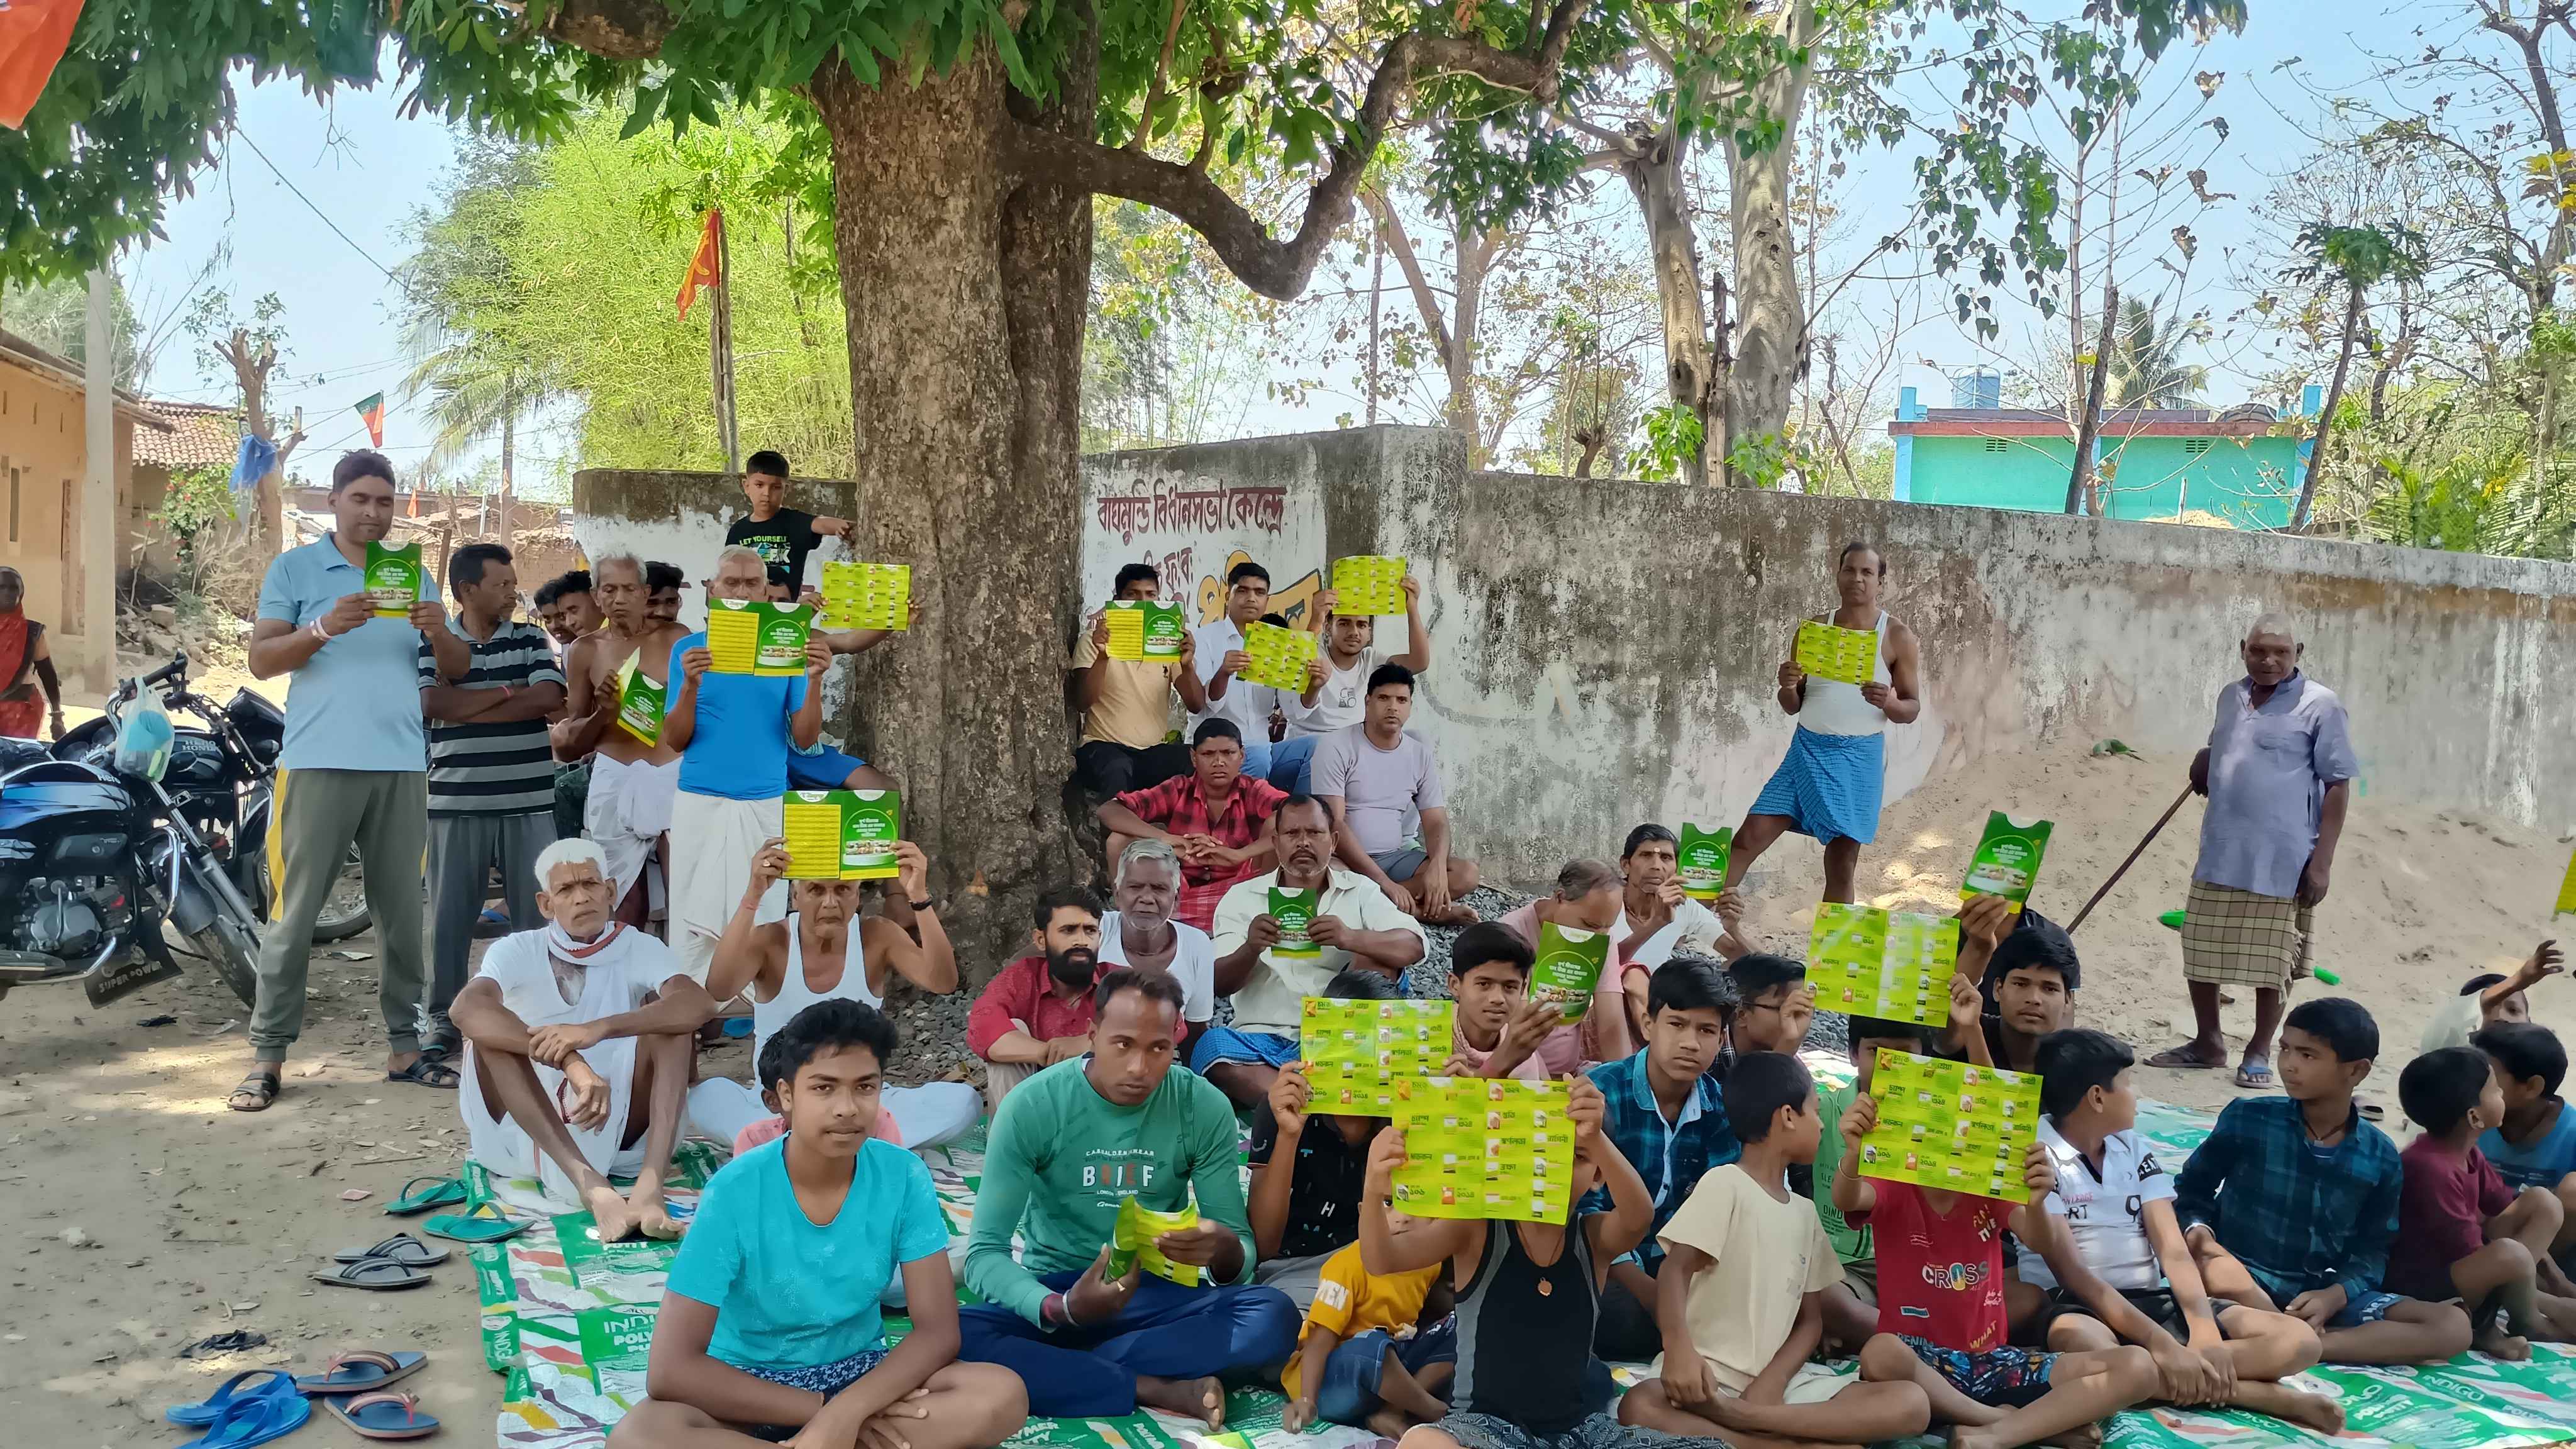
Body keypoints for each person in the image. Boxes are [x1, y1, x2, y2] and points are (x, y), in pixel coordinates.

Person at [609, 999, 1030, 1449]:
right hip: (746, 1387)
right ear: (787, 1096)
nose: (847, 1108)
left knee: (999, 1394)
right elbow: (671, 1369)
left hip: (860, 1375)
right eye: (824, 1088)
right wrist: (825, 1412)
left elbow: (937, 1333)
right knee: (640, 1436)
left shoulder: (903, 1175)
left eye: (865, 1087)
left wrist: (850, 1410)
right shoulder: (734, 1191)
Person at [958, 969, 1301, 1424]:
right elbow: (984, 1254)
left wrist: (1222, 1248)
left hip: (1157, 1296)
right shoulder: (1033, 1105)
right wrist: (1061, 1308)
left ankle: (1072, 1369)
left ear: (1176, 1045)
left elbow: (1241, 1259)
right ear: (1092, 1036)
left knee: (1273, 1315)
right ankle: (1150, 1385)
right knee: (956, 1334)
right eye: (1122, 1045)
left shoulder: (1202, 1106)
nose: (1139, 1067)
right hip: (1060, 1290)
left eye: (1158, 1049)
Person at [235, 450, 468, 1111]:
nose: (373, 512)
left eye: (384, 501)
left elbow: (455, 668)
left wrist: (439, 631)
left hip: (400, 766)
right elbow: (261, 660)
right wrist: (322, 627)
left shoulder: (412, 574)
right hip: (317, 763)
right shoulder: (295, 569)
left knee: (401, 916)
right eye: (360, 499)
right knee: (295, 914)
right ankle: (267, 1056)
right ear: (334, 501)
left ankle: (404, 1049)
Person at [2017, 1029, 2346, 1433]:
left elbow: (2172, 1249)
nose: (2136, 1094)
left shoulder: (2133, 1148)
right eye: (2128, 1083)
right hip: (2077, 1305)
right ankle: (2258, 1395)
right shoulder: (2036, 1156)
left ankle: (2165, 1376)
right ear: (2097, 1098)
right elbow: (2075, 1276)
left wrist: (2203, 1329)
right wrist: (2163, 1345)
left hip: (2152, 1299)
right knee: (2088, 1348)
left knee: (2301, 1343)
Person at [1619, 1053, 1934, 1446]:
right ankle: (1773, 1442)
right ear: (1788, 1116)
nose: (1822, 1124)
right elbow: (1675, 1270)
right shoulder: (1725, 1184)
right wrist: (1679, 1349)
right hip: (1705, 1379)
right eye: (1815, 1111)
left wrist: (1772, 1382)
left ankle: (1747, 1422)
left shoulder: (1805, 1213)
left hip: (1778, 1389)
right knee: (1639, 1404)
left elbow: (1810, 1322)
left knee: (1911, 1403)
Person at [1362, 1075, 1689, 1449]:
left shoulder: (1594, 1237)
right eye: (1542, 1150)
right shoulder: (1477, 1229)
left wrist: (1596, 1137)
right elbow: (1382, 1259)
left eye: (1576, 1156)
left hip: (1574, 1431)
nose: (1554, 1167)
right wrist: (1373, 1187)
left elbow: (1639, 1217)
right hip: (1483, 1429)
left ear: (1598, 1174)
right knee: (1424, 1444)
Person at [1837, 1091, 2160, 1449]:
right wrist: (1853, 1155)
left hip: (1994, 1363)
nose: (1952, 1141)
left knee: (2138, 1366)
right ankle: (2006, 1422)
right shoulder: (1893, 1184)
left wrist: (2036, 1202)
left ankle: (1996, 1435)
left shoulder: (1989, 1188)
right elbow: (1847, 1199)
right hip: (1918, 1365)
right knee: (1881, 1350)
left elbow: (2039, 1239)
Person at [2172, 997, 2475, 1364]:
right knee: (2215, 1274)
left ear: (2357, 1071)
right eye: (2285, 1049)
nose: (2289, 1064)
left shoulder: (2380, 1154)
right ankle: (2288, 1338)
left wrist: (2335, 1296)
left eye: (2308, 1055)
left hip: (2316, 1294)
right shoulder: (2249, 1118)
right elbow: (2192, 1191)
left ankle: (2306, 1345)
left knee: (2452, 1326)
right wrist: (2203, 1240)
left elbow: (2373, 1248)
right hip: (2241, 1278)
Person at [451, 838, 716, 1238]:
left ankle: (649, 1187)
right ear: (546, 904)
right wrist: (570, 1061)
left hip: (620, 1118)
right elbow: (465, 1009)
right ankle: (590, 1185)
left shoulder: (640, 946)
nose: (581, 898)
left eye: (590, 884)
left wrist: (596, 1030)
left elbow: (698, 1004)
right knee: (487, 1037)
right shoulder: (517, 949)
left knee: (672, 1025)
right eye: (566, 890)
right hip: (527, 1126)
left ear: (610, 891)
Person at [2148, 613, 2357, 1091]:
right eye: (2259, 650)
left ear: (2298, 653)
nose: (2268, 661)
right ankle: (2208, 1043)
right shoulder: (2231, 695)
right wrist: (2205, 758)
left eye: (2280, 652)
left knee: (2273, 962)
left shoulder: (2321, 705)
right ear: (2243, 648)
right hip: (2222, 848)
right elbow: (2226, 742)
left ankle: (2259, 1050)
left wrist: (2322, 862)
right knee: (2200, 947)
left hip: (2284, 856)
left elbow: (2338, 785)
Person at [696, 836, 979, 1152]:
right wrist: (753, 896)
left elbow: (943, 982)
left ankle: (798, 1145)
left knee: (964, 1102)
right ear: (796, 896)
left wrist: (919, 897)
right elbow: (719, 988)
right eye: (816, 890)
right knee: (704, 1097)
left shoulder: (877, 935)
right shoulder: (771, 940)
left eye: (843, 890)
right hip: (784, 1105)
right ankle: (856, 1142)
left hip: (860, 1102)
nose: (831, 903)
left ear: (857, 895)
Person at [419, 543, 566, 1061]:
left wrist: (468, 706)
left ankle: (538, 1015)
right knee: (449, 921)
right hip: (455, 801)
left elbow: (549, 699)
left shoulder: (529, 637)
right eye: (501, 584)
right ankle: (443, 1019)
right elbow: (432, 702)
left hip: (529, 799)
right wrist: (509, 694)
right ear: (467, 590)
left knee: (539, 917)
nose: (512, 593)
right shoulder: (433, 641)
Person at [663, 545, 833, 983]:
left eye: (751, 583)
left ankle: (760, 1006)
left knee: (764, 913)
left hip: (764, 803)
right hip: (700, 801)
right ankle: (692, 1005)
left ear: (765, 594)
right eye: (732, 583)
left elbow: (805, 739)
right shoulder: (689, 650)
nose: (741, 592)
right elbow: (675, 740)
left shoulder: (787, 651)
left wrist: (815, 681)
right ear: (712, 590)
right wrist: (690, 687)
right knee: (690, 917)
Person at [1724, 541, 1924, 906]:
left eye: (1867, 572)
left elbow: (1911, 708)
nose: (1857, 579)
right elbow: (1793, 705)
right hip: (1806, 750)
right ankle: (1700, 923)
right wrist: (1787, 686)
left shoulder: (1896, 636)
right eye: (1850, 570)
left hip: (1858, 759)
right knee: (1748, 838)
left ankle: (1833, 942)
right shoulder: (1816, 629)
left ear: (1880, 582)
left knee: (1841, 863)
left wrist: (1890, 702)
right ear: (1838, 576)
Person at [1201, 795, 1429, 1108]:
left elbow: (1413, 945)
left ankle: (1295, 1104)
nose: (1303, 843)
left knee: (1377, 956)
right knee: (1212, 1048)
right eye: (1292, 834)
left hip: (1341, 1037)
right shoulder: (1243, 898)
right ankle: (1317, 1105)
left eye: (1314, 833)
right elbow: (1217, 983)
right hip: (1262, 1036)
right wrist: (1251, 949)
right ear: (1276, 843)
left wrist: (1350, 938)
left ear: (1333, 842)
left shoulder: (1359, 891)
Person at [1584, 957, 1742, 1363]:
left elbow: (1722, 1210)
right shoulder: (1601, 1093)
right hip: (1609, 1263)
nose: (1691, 1042)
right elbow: (1586, 1211)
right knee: (1619, 1318)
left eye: (1706, 1030)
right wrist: (1655, 1300)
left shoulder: (1720, 1106)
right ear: (1648, 1025)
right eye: (1677, 1024)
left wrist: (1674, 1292)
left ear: (1721, 1038)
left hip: (1681, 1265)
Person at [2389, 1045, 2576, 1354]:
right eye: (2495, 1090)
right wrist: (2552, 1302)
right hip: (2422, 1284)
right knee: (2509, 1255)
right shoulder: (2430, 1168)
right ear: (2475, 1116)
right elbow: (2466, 1250)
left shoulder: (2468, 1153)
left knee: (2542, 1203)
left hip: (2458, 1266)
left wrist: (2555, 1278)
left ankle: (2519, 1303)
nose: (2502, 1094)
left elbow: (2503, 1208)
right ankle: (2525, 1319)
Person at [1252, 970, 1409, 1309]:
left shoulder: (1409, 1110)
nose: (1360, 1059)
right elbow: (1264, 1244)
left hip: (1386, 1266)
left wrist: (1450, 1110)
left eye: (1377, 1044)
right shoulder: (1284, 1105)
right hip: (1298, 1272)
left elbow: (1421, 1230)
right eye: (1345, 1040)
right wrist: (1289, 1135)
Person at [557, 554, 690, 929]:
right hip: (614, 773)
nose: (619, 599)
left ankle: (682, 966)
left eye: (629, 589)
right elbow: (573, 735)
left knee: (685, 894)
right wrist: (604, 713)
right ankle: (627, 967)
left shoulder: (676, 639)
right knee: (623, 901)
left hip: (671, 771)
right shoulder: (584, 650)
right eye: (610, 590)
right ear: (596, 596)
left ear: (644, 593)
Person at [1310, 664, 1479, 926]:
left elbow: (1436, 820)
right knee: (1326, 877)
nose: (1393, 707)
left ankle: (1375, 904)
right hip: (1343, 859)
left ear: (1410, 706)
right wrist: (1386, 884)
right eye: (1384, 698)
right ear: (1368, 702)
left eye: (1401, 700)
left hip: (1394, 857)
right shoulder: (1336, 746)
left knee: (1465, 874)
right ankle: (1417, 912)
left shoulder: (1418, 754)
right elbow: (1335, 824)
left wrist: (1436, 867)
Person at [970, 887, 1157, 1113]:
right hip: (1034, 1105)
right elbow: (982, 1025)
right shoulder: (1021, 978)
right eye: (1068, 930)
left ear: (1100, 937)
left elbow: (1170, 1020)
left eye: (1090, 930)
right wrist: (1046, 1053)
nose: (1081, 941)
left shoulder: (1118, 981)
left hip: (1105, 1107)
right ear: (1041, 940)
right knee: (1010, 1042)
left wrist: (1090, 1042)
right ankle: (1013, 1135)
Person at [1279, 1211, 1457, 1440]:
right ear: (1365, 1213)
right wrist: (1307, 1400)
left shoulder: (1428, 1261)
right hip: (1332, 1382)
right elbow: (1318, 1342)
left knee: (1457, 1325)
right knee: (1372, 1344)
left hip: (1391, 1369)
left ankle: (1392, 1412)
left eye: (1416, 1206)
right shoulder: (1347, 1265)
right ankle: (1434, 1411)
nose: (1403, 1218)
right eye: (1388, 1203)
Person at [1096, 719, 1285, 931]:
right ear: (1194, 758)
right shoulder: (1179, 788)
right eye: (1208, 754)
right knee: (1119, 840)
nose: (1219, 762)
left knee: (1280, 823)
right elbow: (1109, 810)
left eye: (1228, 753)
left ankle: (1268, 912)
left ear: (1242, 756)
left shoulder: (1253, 790)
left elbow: (1300, 815)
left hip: (1241, 886)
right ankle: (1127, 918)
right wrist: (1167, 840)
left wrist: (1239, 855)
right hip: (1178, 887)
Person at [1270, 570, 1431, 795]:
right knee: (1325, 748)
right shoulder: (1311, 653)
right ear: (1328, 627)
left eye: (1361, 625)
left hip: (1356, 752)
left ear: (1369, 632)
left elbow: (1419, 662)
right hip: (1309, 749)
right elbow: (1296, 709)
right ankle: (1317, 813)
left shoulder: (1372, 660)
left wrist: (1412, 608)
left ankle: (1405, 820)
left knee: (1418, 741)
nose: (1354, 632)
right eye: (1344, 623)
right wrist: (1315, 619)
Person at [1069, 563, 1209, 799]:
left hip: (1151, 752)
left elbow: (1196, 704)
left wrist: (1186, 665)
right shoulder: (1092, 641)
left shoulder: (1168, 646)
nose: (1143, 603)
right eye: (1132, 595)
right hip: (1103, 747)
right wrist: (1103, 656)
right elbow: (1083, 702)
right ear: (1118, 601)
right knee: (1117, 768)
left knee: (1195, 760)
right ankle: (1116, 824)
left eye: (1150, 595)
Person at [1499, 860, 1638, 1074]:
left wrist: (1621, 1081)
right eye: (1590, 925)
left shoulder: (1602, 939)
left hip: (1569, 1072)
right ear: (1560, 897)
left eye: (1607, 927)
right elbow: (1513, 1027)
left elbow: (1612, 1024)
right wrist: (1544, 1085)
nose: (1597, 935)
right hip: (1517, 1072)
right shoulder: (1510, 934)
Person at [2476, 1022, 2576, 1292]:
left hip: (2553, 1254)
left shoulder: (2572, 1131)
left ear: (2532, 1087)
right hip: (2484, 1240)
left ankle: (2533, 1286)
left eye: (2487, 1076)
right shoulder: (2473, 1119)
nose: (2471, 1083)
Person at [1096, 840, 1218, 1033]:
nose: (1147, 898)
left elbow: (1195, 1029)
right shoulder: (1096, 929)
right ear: (1118, 895)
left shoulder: (1196, 944)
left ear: (1176, 899)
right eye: (1135, 887)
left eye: (1159, 888)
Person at [1939, 910, 2078, 1074]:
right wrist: (1972, 1029)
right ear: (1998, 989)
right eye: (2020, 984)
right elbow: (1946, 1043)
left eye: (2050, 989)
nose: (2034, 999)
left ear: (2067, 1000)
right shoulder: (1971, 1024)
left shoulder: (2078, 1062)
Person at [1611, 826, 1750, 975]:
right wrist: (1656, 923)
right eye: (1646, 855)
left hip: (1657, 989)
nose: (1656, 866)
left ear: (1677, 868)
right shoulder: (1606, 900)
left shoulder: (1683, 906)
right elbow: (1598, 965)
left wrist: (1734, 930)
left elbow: (1760, 966)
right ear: (1626, 865)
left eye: (1666, 858)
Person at [1191, 560, 1281, 782]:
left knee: (1314, 750)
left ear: (1267, 600)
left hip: (1263, 745)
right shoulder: (1204, 638)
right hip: (1216, 749)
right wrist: (1224, 672)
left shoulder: (1276, 642)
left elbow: (1292, 708)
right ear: (1227, 596)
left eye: (1259, 592)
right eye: (1242, 591)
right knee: (1259, 758)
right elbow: (1205, 703)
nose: (1251, 598)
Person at [725, 449, 850, 597]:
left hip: (788, 608)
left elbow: (821, 523)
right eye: (759, 485)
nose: (767, 493)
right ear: (746, 486)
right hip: (748, 608)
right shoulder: (738, 531)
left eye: (776, 487)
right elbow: (728, 575)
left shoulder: (794, 523)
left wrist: (844, 528)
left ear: (787, 489)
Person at [1444, 923, 1559, 1082]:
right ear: (1455, 985)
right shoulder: (1426, 1033)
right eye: (1484, 984)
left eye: (1510, 987)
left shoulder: (1521, 1054)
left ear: (1522, 989)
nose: (1498, 998)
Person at [2423, 941, 2565, 1053]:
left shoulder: (2526, 1069)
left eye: (2513, 1010)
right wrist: (2517, 980)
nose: (2501, 1017)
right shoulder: (2450, 1045)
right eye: (2489, 1008)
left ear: (2529, 1023)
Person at [0, 565, 65, 740]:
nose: (8, 593)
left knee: (18, 756)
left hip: (21, 714)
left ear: (21, 593)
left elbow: (47, 673)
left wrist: (57, 716)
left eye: (14, 588)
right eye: (2, 587)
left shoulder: (32, 633)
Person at [1724, 954, 1814, 1062]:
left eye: (1802, 1007)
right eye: (1785, 1008)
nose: (1799, 1022)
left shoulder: (1790, 1053)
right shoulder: (1710, 1057)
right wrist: (1786, 1051)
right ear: (1741, 1014)